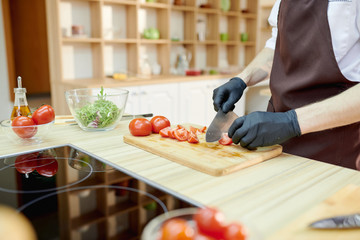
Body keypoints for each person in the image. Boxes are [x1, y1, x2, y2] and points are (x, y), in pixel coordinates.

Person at [213, 0, 360, 170]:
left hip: (332, 149)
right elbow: (276, 45)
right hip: (275, 142)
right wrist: (241, 80)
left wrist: (290, 122)